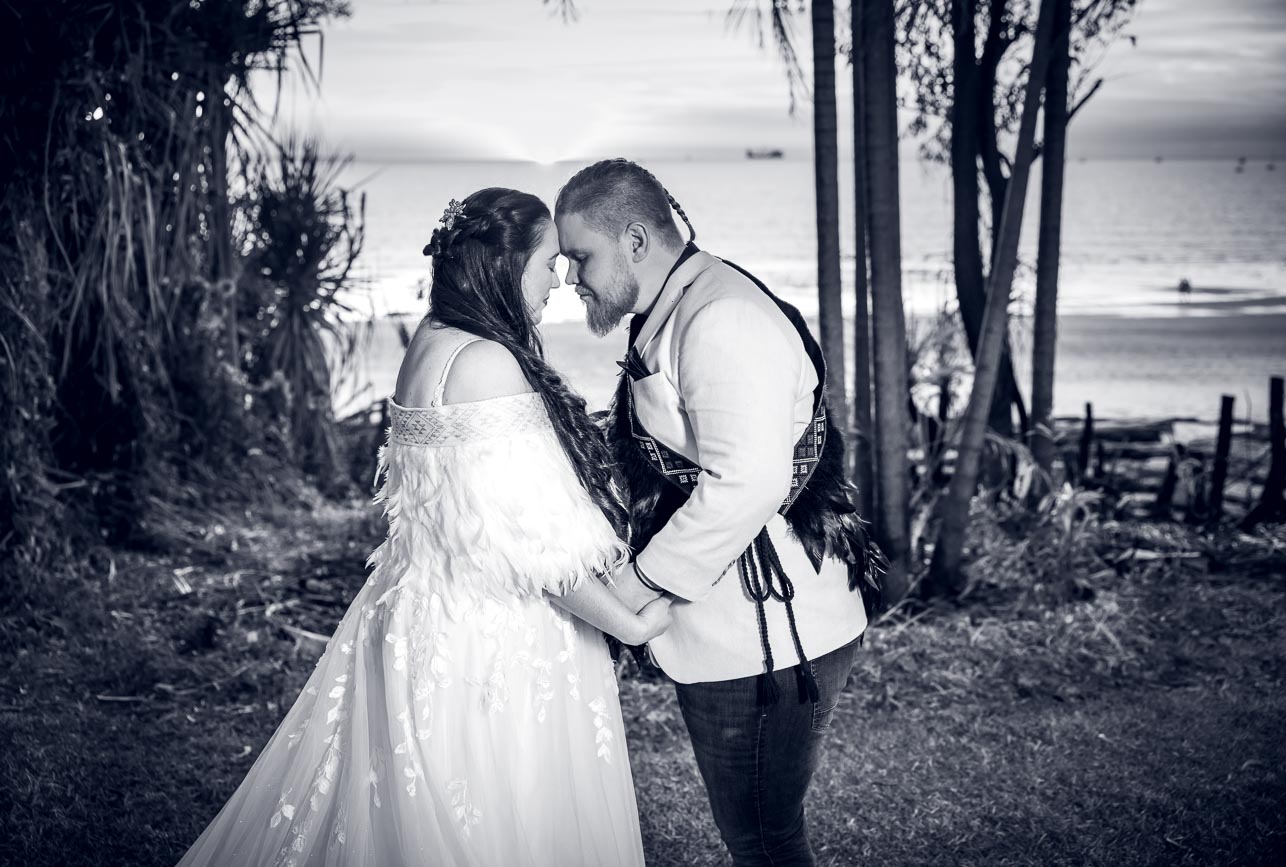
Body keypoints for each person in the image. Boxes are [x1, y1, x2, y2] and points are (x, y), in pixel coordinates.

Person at [176, 187, 664, 867]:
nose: (559, 278)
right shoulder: (487, 364)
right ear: (502, 264)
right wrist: (632, 624)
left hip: (415, 619)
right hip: (493, 643)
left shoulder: (433, 338)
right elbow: (534, 552)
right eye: (547, 262)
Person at [556, 159, 884, 867]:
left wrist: (630, 591)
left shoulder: (722, 316)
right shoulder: (681, 302)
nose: (570, 277)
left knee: (764, 840)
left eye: (580, 256)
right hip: (734, 629)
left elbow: (747, 482)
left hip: (768, 639)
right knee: (759, 836)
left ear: (635, 240)